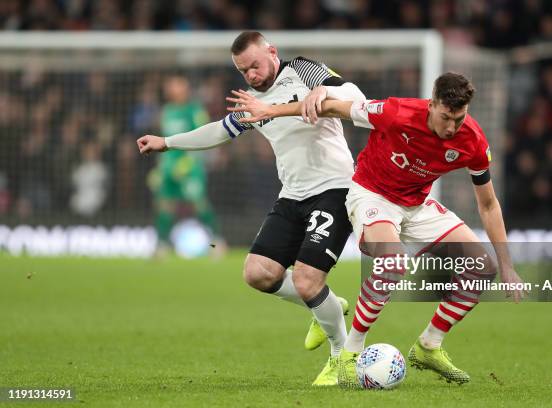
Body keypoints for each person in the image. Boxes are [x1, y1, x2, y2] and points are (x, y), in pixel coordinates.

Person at [226, 72, 527, 387]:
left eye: (459, 118)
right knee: (393, 263)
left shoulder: (473, 140)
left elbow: (489, 205)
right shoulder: (396, 112)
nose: (452, 127)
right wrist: (270, 111)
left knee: (483, 266)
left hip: (416, 205)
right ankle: (350, 353)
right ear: (432, 105)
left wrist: (507, 265)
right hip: (372, 195)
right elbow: (333, 109)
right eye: (446, 117)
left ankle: (429, 346)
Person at [137, 31, 367, 386]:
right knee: (258, 273)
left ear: (272, 52)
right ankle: (328, 304)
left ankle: (341, 355)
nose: (252, 75)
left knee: (307, 280)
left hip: (334, 189)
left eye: (255, 65)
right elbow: (218, 131)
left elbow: (356, 96)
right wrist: (166, 143)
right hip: (292, 194)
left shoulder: (303, 70)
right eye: (243, 71)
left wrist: (326, 91)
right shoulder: (251, 101)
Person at [149, 75, 225, 256]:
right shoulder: (167, 111)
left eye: (176, 85)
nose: (172, 89)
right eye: (170, 86)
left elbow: (204, 137)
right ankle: (161, 246)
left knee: (199, 204)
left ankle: (218, 242)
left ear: (185, 88)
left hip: (190, 168)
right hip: (169, 167)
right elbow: (162, 141)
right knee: (165, 205)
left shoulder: (195, 110)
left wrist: (187, 163)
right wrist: (159, 168)